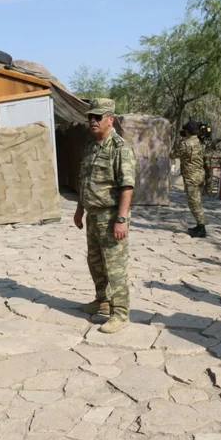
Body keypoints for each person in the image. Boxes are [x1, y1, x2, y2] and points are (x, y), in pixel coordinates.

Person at [74, 98, 136, 334]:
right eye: (90, 117)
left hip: (111, 216)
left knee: (115, 268)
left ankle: (120, 313)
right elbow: (85, 180)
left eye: (97, 117)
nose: (92, 121)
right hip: (93, 215)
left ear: (111, 119)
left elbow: (127, 186)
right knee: (95, 262)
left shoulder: (119, 148)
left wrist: (121, 219)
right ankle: (102, 300)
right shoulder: (91, 146)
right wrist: (80, 209)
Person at [171, 120, 211, 237]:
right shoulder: (202, 143)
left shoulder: (185, 144)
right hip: (200, 176)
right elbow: (206, 161)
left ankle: (201, 227)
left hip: (191, 177)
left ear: (187, 132)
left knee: (194, 203)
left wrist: (178, 143)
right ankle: (200, 225)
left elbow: (173, 155)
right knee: (197, 200)